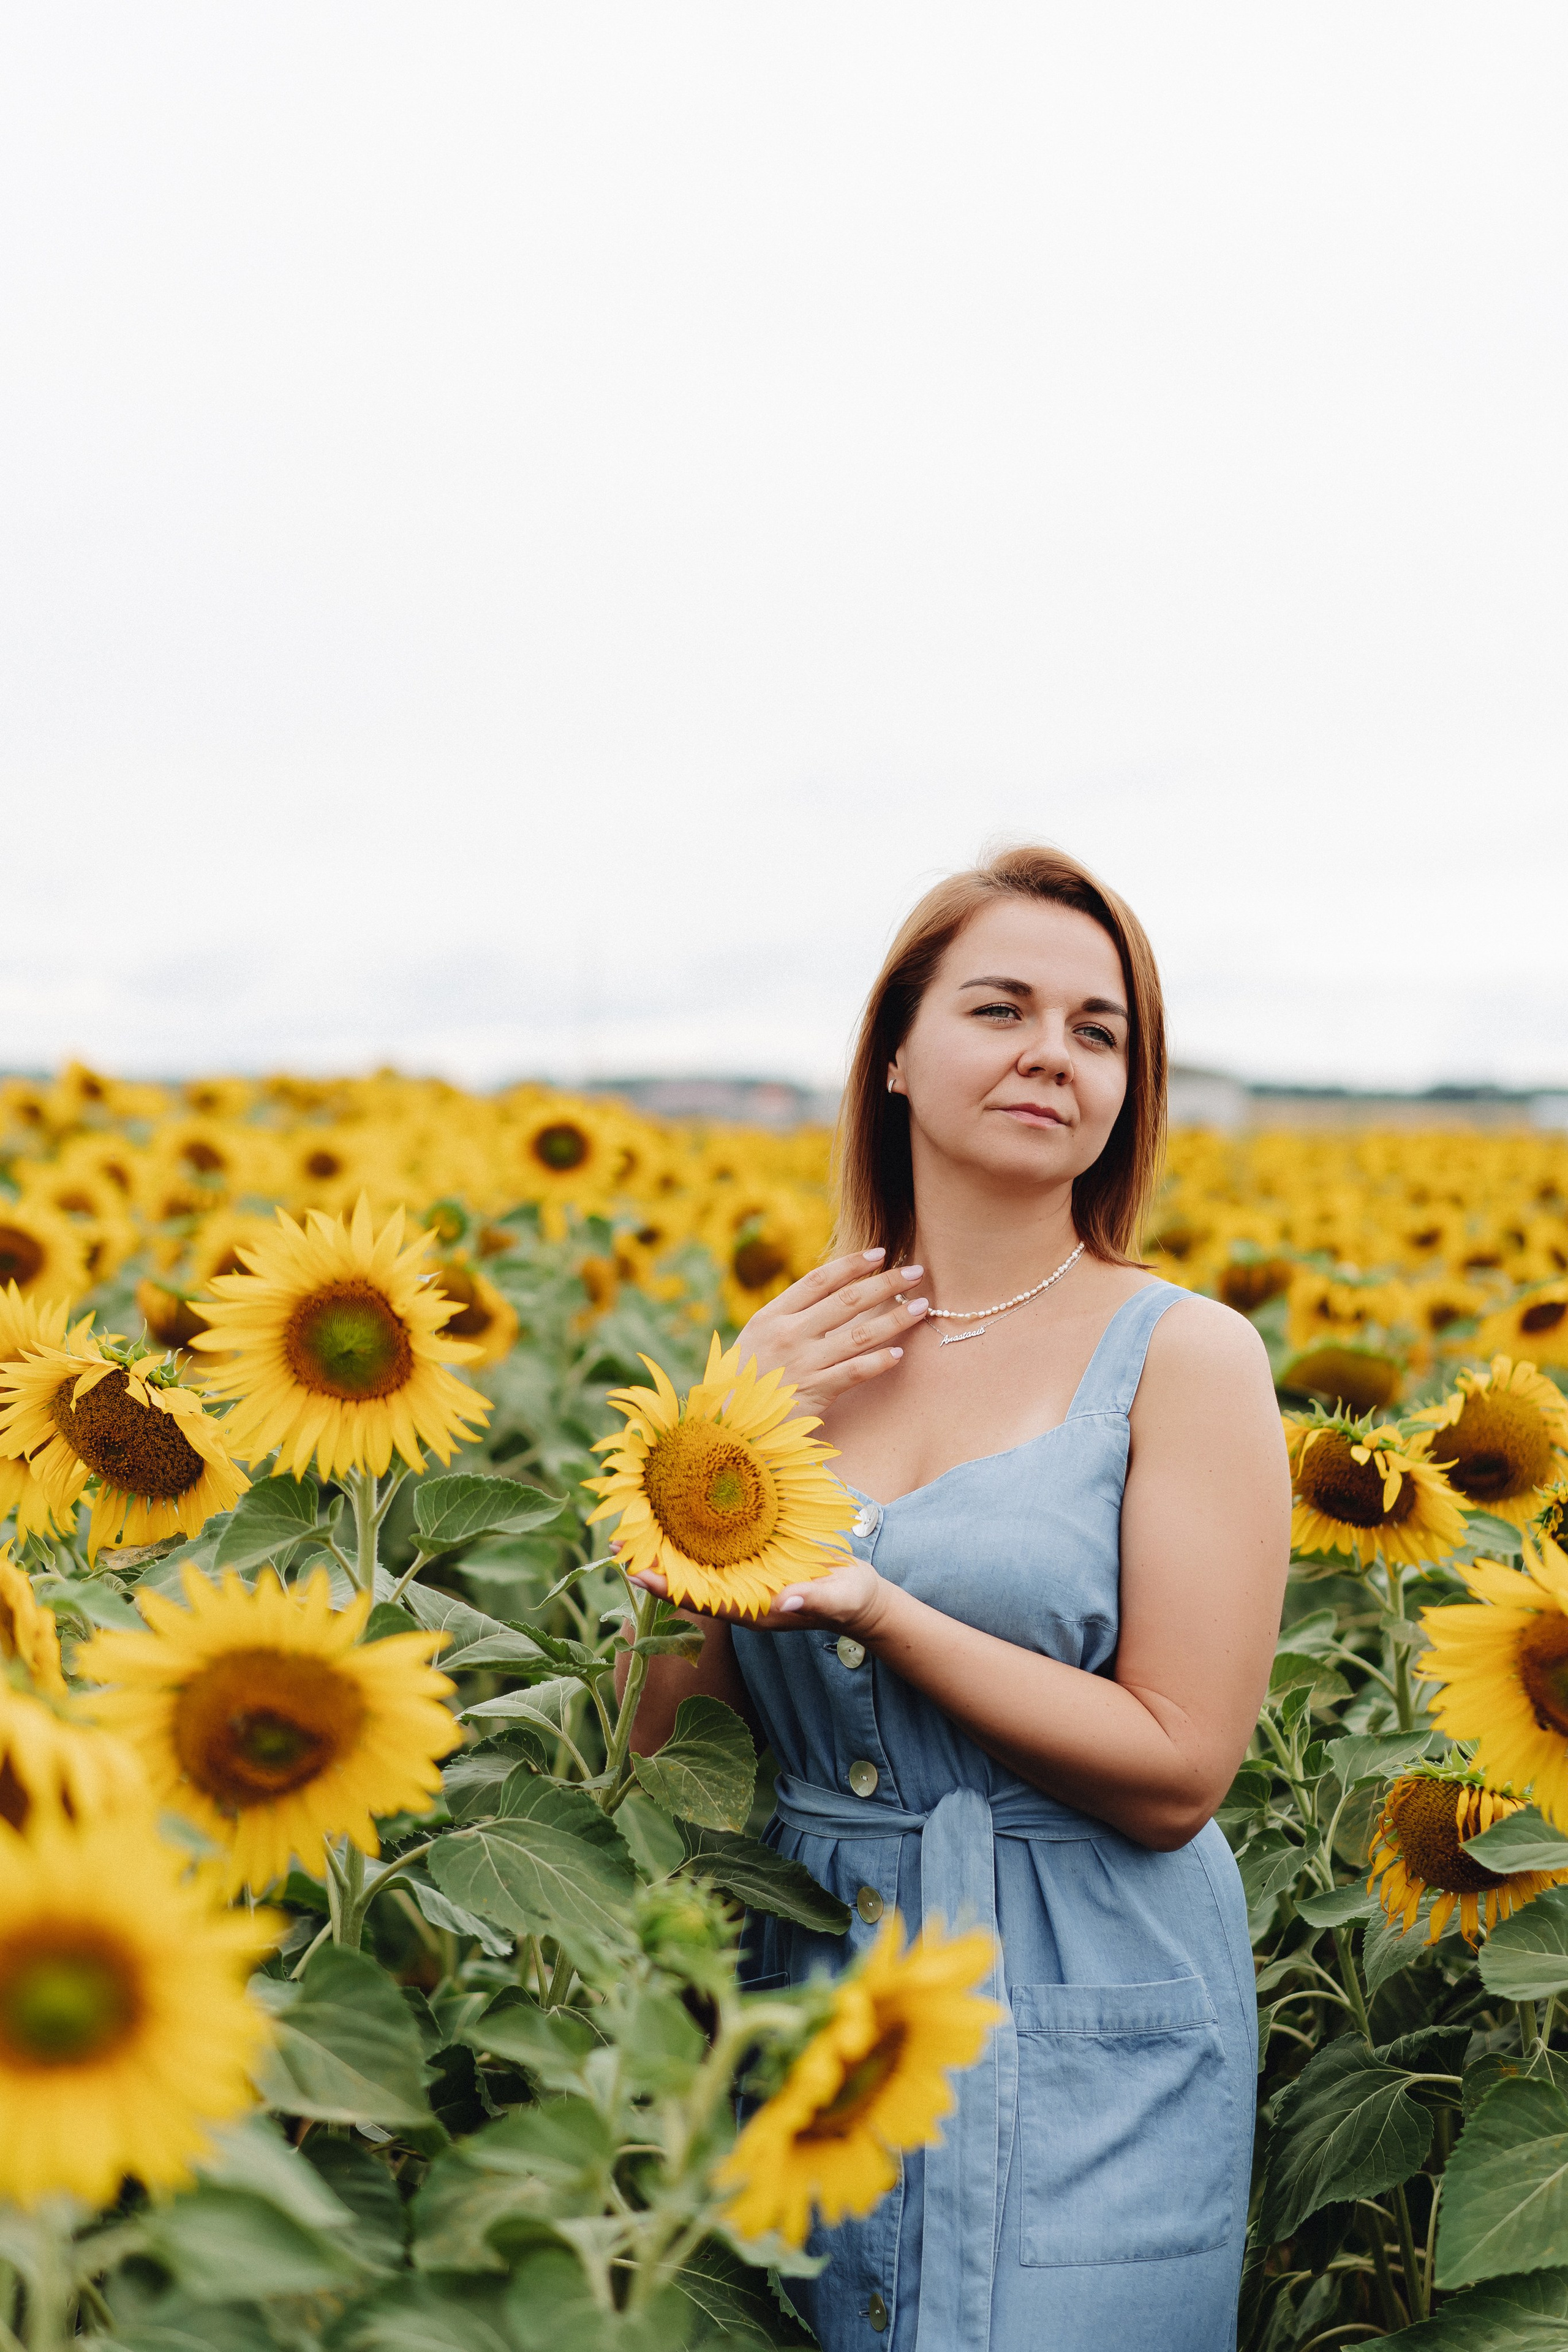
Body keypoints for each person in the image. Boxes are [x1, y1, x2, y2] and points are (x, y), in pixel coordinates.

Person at [622, 843, 1290, 2351]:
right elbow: (665, 1757)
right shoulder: (790, 1350)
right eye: (1001, 1009)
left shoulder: (1183, 1359)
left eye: (1097, 1030)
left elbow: (1179, 1769)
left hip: (1081, 2007)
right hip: (791, 1996)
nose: (1051, 1053)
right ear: (898, 1056)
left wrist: (878, 1608)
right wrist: (703, 1451)